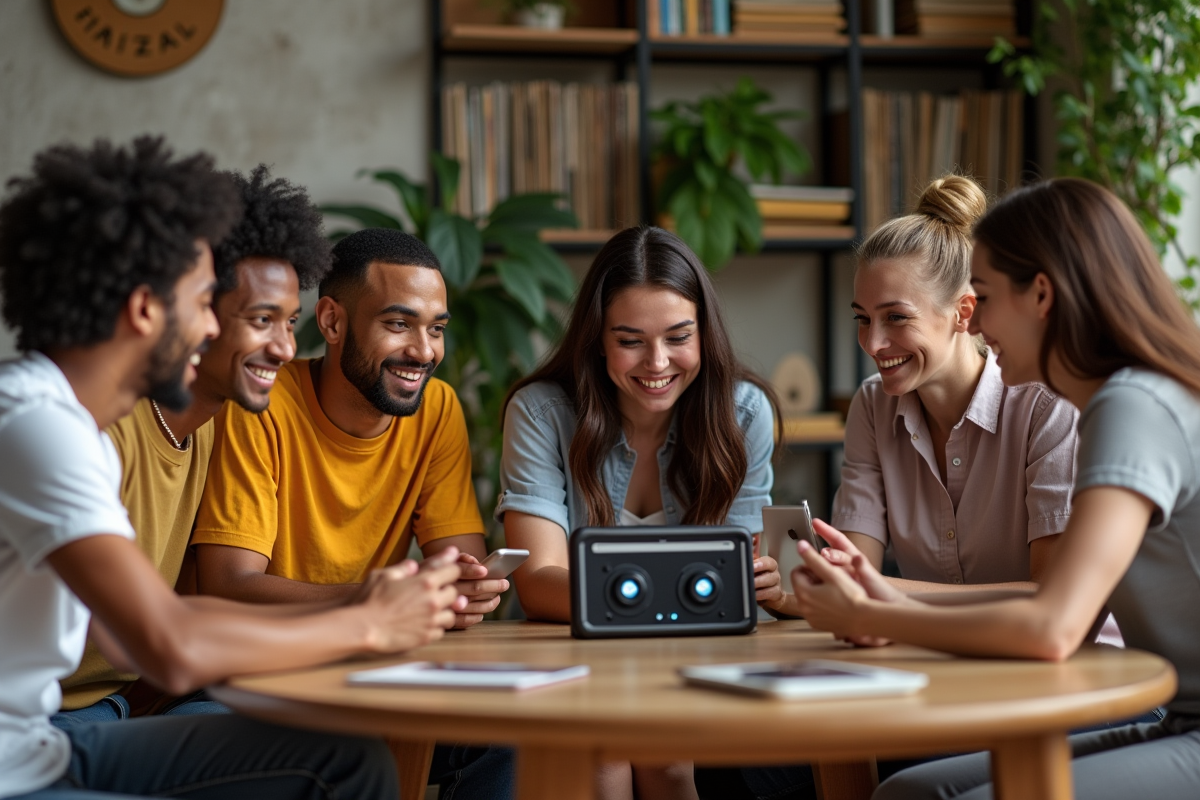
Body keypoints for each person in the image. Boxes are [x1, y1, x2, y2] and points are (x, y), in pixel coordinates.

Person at [0, 136, 464, 800]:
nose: (213, 329)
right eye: (200, 304)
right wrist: (367, 623)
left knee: (348, 760)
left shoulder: (81, 435)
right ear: (142, 310)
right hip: (15, 766)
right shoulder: (35, 427)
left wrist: (364, 602)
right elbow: (169, 646)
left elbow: (131, 638)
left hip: (43, 746)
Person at [792, 177, 1200, 800]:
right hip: (1179, 719)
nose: (974, 318)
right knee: (907, 794)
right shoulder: (1109, 403)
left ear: (1040, 295)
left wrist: (880, 612)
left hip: (1176, 722)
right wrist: (885, 603)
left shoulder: (1129, 407)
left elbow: (1055, 625)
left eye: (981, 296)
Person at [497, 226, 783, 800]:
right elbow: (536, 583)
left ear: (704, 333)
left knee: (667, 763)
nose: (657, 362)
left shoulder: (744, 413)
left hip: (698, 658)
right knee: (604, 766)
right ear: (597, 340)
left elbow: (740, 579)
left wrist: (763, 580)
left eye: (679, 336)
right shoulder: (541, 413)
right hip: (567, 653)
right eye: (630, 340)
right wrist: (694, 587)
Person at [56, 163, 331, 724]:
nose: (284, 348)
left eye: (291, 322)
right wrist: (366, 612)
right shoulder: (92, 427)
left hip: (122, 703)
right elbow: (152, 635)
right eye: (261, 319)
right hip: (55, 716)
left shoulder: (214, 427)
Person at [767, 175, 1078, 619]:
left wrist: (879, 591)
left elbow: (1049, 594)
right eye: (863, 319)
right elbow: (854, 579)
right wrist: (786, 595)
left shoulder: (1045, 407)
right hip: (933, 659)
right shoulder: (873, 407)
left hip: (1062, 669)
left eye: (895, 317)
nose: (873, 344)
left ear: (963, 314)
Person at [191, 228, 507, 626]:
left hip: (372, 659)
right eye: (398, 324)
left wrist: (466, 590)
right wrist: (384, 601)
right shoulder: (261, 401)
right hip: (256, 666)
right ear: (331, 322)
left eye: (436, 329)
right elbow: (227, 586)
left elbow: (464, 571)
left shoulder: (437, 408)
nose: (425, 351)